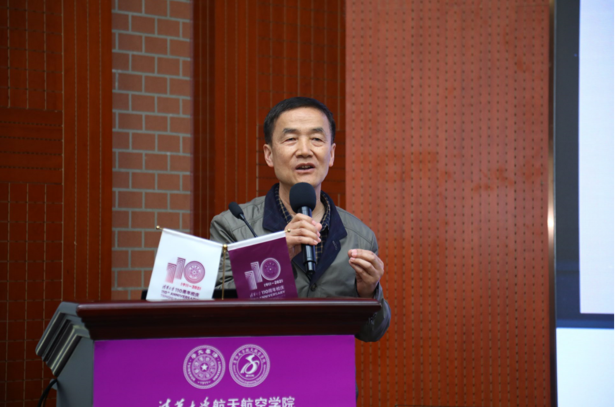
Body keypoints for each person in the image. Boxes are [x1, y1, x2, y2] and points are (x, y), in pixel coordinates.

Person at [210, 97, 390, 342]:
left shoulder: (360, 237)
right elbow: (216, 308)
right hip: (257, 362)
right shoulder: (233, 226)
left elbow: (372, 333)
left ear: (331, 154)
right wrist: (274, 255)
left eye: (316, 139)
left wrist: (368, 292)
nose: (305, 150)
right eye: (291, 139)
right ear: (269, 155)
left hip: (328, 365)